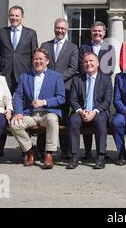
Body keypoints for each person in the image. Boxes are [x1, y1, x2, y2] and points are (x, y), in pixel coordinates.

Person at [0, 5, 38, 158]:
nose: (14, 18)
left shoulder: (31, 33)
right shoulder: (2, 33)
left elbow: (35, 57)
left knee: (22, 113)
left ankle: (24, 149)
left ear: (22, 17)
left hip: (23, 78)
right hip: (4, 79)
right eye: (11, 15)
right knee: (1, 112)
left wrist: (32, 78)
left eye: (17, 16)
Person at [8, 48, 65, 169]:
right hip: (30, 114)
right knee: (14, 124)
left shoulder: (56, 76)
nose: (37, 61)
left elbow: (61, 98)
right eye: (35, 59)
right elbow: (18, 96)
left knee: (52, 119)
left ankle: (49, 154)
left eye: (40, 59)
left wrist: (44, 102)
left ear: (47, 61)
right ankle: (29, 150)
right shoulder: (25, 77)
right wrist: (18, 112)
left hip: (48, 113)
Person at [38, 18, 78, 160]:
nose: (60, 31)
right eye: (58, 28)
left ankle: (65, 150)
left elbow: (73, 68)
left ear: (66, 30)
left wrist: (56, 79)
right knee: (44, 117)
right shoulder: (45, 45)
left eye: (63, 28)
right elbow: (41, 64)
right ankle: (41, 150)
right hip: (46, 88)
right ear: (54, 28)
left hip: (65, 88)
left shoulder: (72, 47)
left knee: (64, 119)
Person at [67, 52, 112, 170]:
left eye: (91, 61)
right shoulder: (77, 79)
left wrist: (95, 111)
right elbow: (73, 99)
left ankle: (101, 156)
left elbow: (107, 101)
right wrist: (80, 111)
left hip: (99, 112)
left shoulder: (106, 79)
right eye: (86, 62)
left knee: (100, 120)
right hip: (81, 111)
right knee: (73, 120)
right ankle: (74, 156)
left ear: (97, 63)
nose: (88, 64)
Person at [78, 21, 115, 160]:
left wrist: (99, 79)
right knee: (86, 115)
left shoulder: (109, 48)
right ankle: (87, 151)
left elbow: (110, 68)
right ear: (91, 32)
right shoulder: (83, 48)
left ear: (104, 33)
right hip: (87, 84)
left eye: (100, 31)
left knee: (100, 119)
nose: (97, 33)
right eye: (95, 31)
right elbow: (82, 66)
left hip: (101, 87)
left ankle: (102, 151)